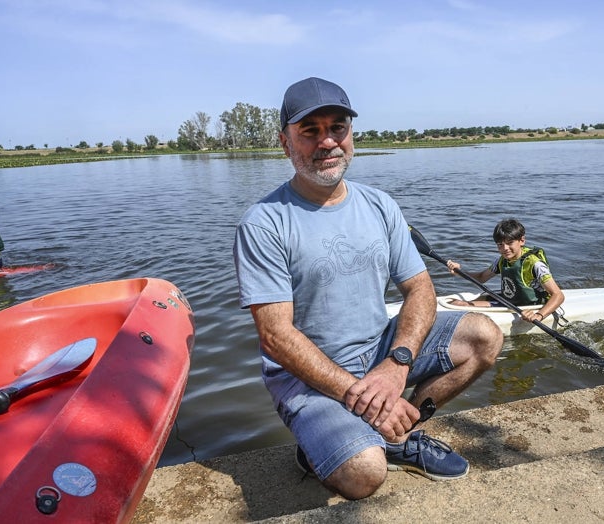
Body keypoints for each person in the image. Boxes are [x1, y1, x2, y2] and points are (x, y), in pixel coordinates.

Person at [233, 77, 503, 500]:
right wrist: (366, 397)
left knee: (484, 336)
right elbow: (276, 335)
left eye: (337, 127)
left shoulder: (379, 204)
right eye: (310, 131)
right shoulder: (264, 222)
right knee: (363, 475)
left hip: (380, 350)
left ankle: (399, 435)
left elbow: (420, 290)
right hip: (307, 377)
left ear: (351, 134)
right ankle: (328, 446)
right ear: (285, 143)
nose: (327, 142)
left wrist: (397, 362)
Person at [446, 218, 565, 323]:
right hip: (509, 300)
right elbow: (482, 277)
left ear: (522, 241)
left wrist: (539, 315)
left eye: (509, 243)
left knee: (460, 305)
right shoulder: (502, 260)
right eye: (500, 245)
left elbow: (558, 295)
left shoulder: (535, 264)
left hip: (528, 306)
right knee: (455, 302)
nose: (505, 249)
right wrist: (459, 272)